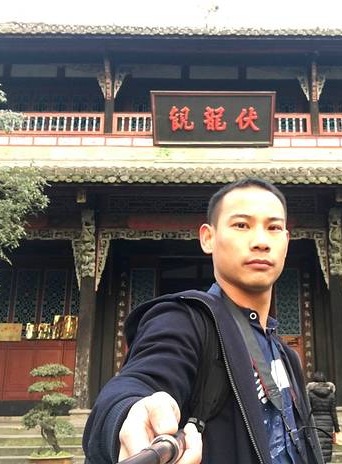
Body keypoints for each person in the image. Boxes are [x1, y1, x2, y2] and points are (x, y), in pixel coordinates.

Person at [83, 178, 323, 464]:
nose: (260, 241)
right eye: (241, 225)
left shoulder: (286, 356)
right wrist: (129, 414)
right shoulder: (185, 322)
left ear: (286, 240)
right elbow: (139, 382)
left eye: (273, 228)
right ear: (208, 238)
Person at [306, 372, 342, 463]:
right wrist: (337, 429)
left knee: (315, 446)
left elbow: (308, 411)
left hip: (314, 423)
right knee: (325, 447)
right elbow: (333, 413)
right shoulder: (331, 394)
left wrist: (306, 425)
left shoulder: (310, 394)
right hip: (328, 424)